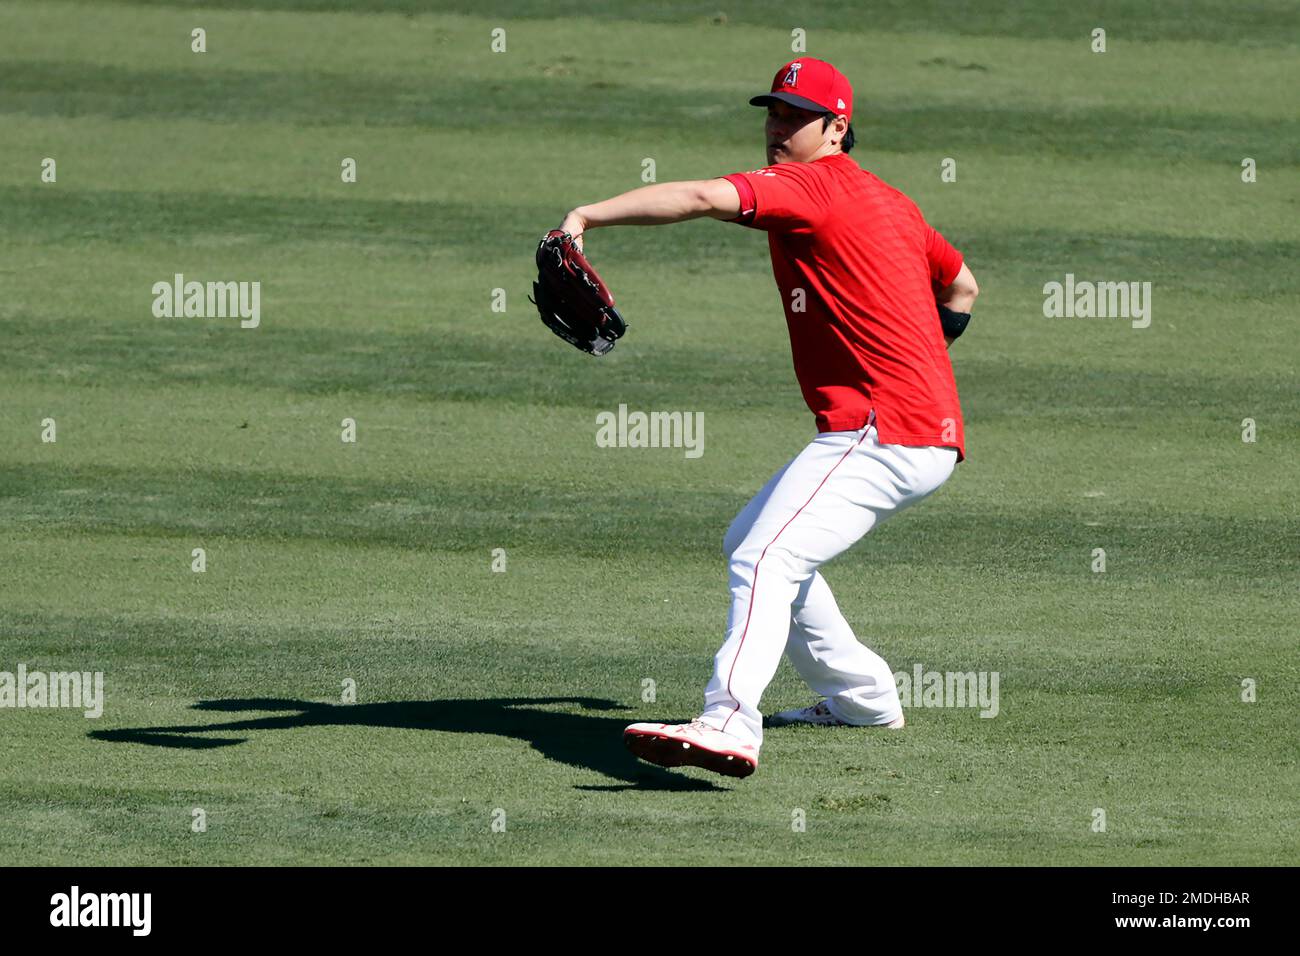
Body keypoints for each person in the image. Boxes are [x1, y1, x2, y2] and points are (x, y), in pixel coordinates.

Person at [555, 58, 980, 778]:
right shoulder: (894, 202)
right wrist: (913, 350)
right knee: (752, 538)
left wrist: (585, 216)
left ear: (837, 128)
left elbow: (696, 196)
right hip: (914, 427)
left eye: (796, 117)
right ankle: (861, 696)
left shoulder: (808, 185)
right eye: (773, 113)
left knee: (766, 557)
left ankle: (728, 721)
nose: (778, 129)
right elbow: (963, 285)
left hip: (883, 430)